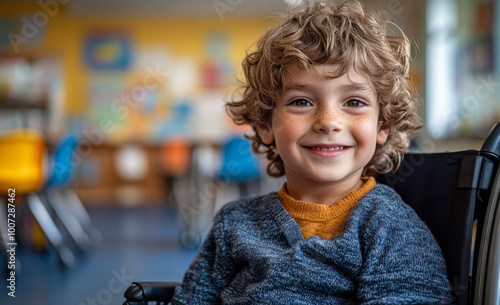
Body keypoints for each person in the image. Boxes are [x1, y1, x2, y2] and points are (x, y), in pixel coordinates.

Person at [170, 1, 452, 304]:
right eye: (301, 102)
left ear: (382, 125)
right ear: (266, 123)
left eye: (354, 102)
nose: (329, 121)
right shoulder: (234, 222)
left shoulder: (392, 229)